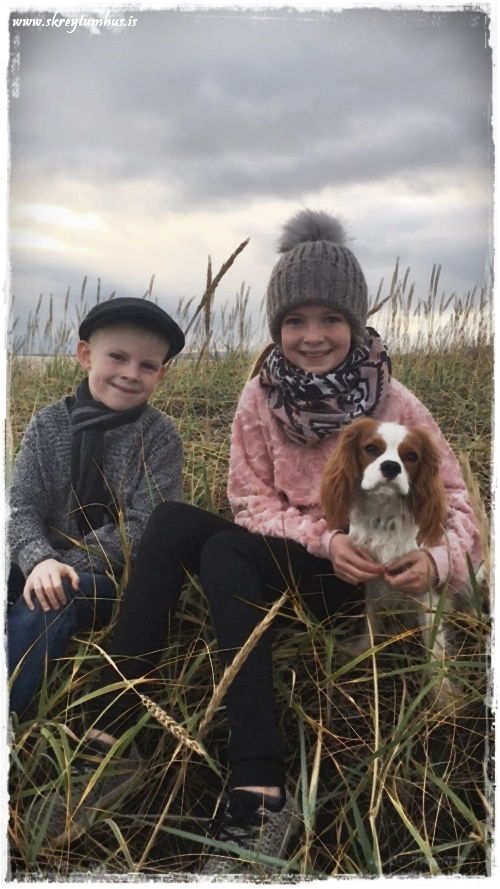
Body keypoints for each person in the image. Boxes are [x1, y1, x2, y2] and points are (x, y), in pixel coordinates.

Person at [38, 210, 482, 871]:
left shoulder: (395, 401)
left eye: (329, 318)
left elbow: (458, 503)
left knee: (223, 551)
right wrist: (325, 538)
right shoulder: (259, 396)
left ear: (355, 322)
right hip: (306, 556)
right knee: (173, 521)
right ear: (276, 327)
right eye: (294, 320)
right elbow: (250, 502)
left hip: (362, 582)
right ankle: (113, 734)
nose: (312, 335)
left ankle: (260, 785)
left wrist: (437, 560)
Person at [7, 297, 185, 717]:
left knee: (50, 600)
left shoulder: (160, 438)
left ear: (160, 374)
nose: (130, 373)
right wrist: (38, 560)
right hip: (39, 562)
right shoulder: (48, 424)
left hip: (108, 581)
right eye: (117, 357)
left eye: (147, 365)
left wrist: (59, 567)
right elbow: (21, 506)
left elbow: (144, 529)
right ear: (85, 355)